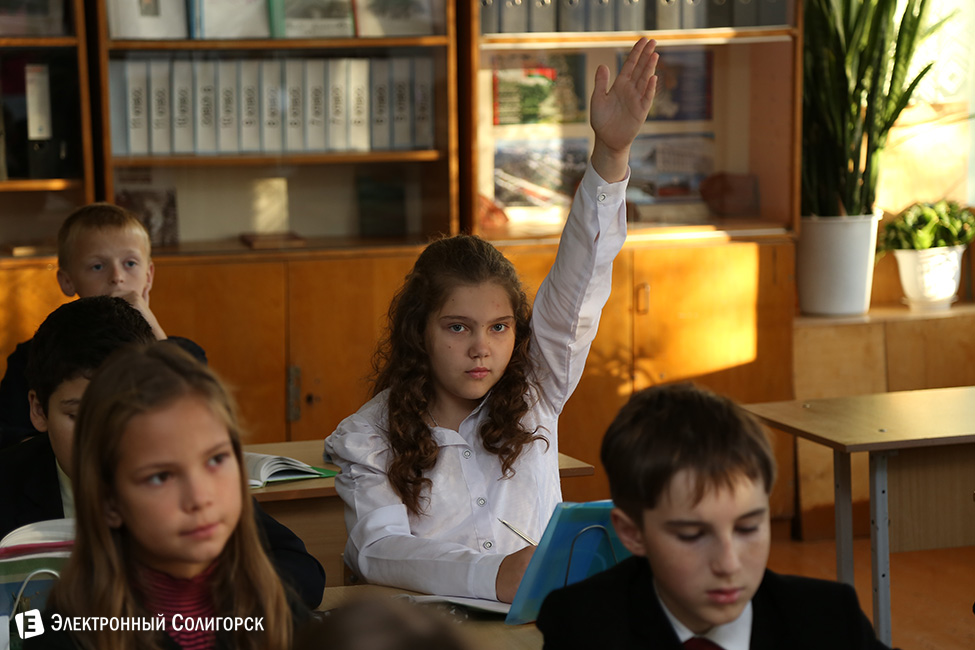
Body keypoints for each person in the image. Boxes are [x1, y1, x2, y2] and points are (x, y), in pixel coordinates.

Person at [324, 37, 659, 603]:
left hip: (536, 626)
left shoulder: (536, 390)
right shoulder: (369, 435)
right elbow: (377, 550)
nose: (482, 347)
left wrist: (610, 154)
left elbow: (579, 287)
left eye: (499, 328)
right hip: (436, 634)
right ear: (419, 331)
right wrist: (493, 574)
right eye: (457, 327)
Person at [0, 296, 325, 608]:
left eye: (122, 411)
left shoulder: (187, 475)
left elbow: (301, 574)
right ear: (39, 410)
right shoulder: (8, 484)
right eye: (79, 416)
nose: (101, 436)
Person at [535, 383, 892, 649]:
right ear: (632, 533)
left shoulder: (830, 620)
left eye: (748, 527)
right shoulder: (582, 627)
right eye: (692, 535)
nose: (728, 564)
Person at [25, 342, 307, 650]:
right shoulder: (67, 636)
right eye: (161, 477)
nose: (199, 498)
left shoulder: (273, 608)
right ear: (109, 502)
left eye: (216, 459)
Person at [0, 202, 204, 448]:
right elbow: (11, 442)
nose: (117, 277)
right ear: (67, 281)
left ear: (148, 276)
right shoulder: (30, 357)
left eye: (130, 264)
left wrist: (154, 332)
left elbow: (200, 421)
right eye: (97, 266)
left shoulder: (183, 354)